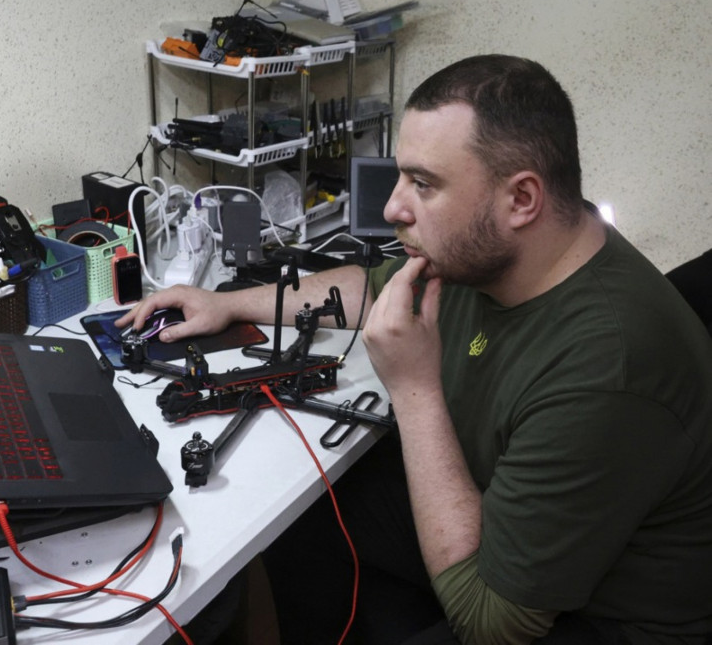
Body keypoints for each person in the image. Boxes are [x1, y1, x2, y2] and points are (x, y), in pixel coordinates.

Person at [118, 55, 712, 644]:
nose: (392, 208)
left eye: (424, 184)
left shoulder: (607, 368)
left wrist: (415, 388)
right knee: (302, 512)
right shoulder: (507, 252)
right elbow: (374, 287)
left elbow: (490, 624)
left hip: (595, 618)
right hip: (498, 508)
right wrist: (230, 303)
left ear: (522, 199)